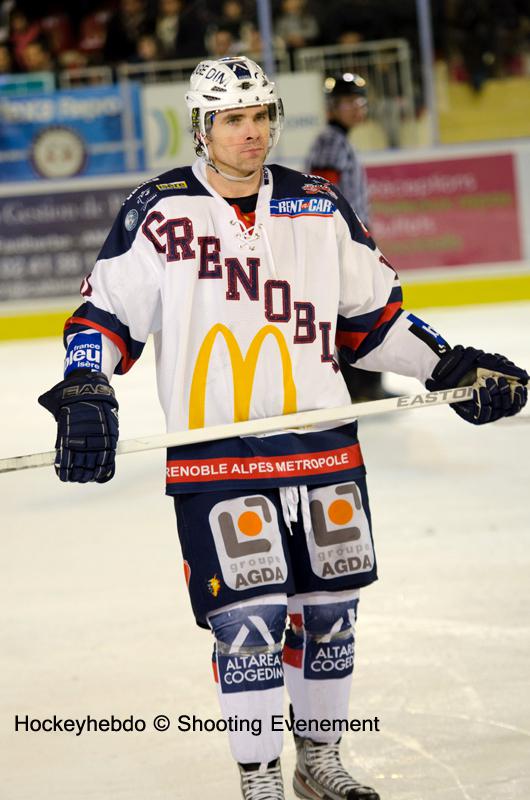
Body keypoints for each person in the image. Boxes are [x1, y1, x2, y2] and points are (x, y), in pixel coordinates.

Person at [38, 56, 528, 800]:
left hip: (324, 447)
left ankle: (320, 761)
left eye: (262, 116)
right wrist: (85, 378)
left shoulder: (317, 206)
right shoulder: (159, 209)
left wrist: (449, 368)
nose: (253, 133)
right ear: (202, 128)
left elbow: (375, 322)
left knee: (330, 616)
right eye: (234, 120)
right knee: (250, 623)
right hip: (216, 452)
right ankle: (259, 775)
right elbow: (101, 317)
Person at [306, 72, 389, 402]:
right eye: (350, 102)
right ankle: (361, 387)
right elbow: (322, 196)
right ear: (332, 108)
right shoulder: (330, 142)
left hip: (348, 242)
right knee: (359, 310)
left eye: (360, 102)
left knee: (362, 308)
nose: (358, 108)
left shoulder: (337, 141)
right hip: (341, 245)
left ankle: (366, 385)